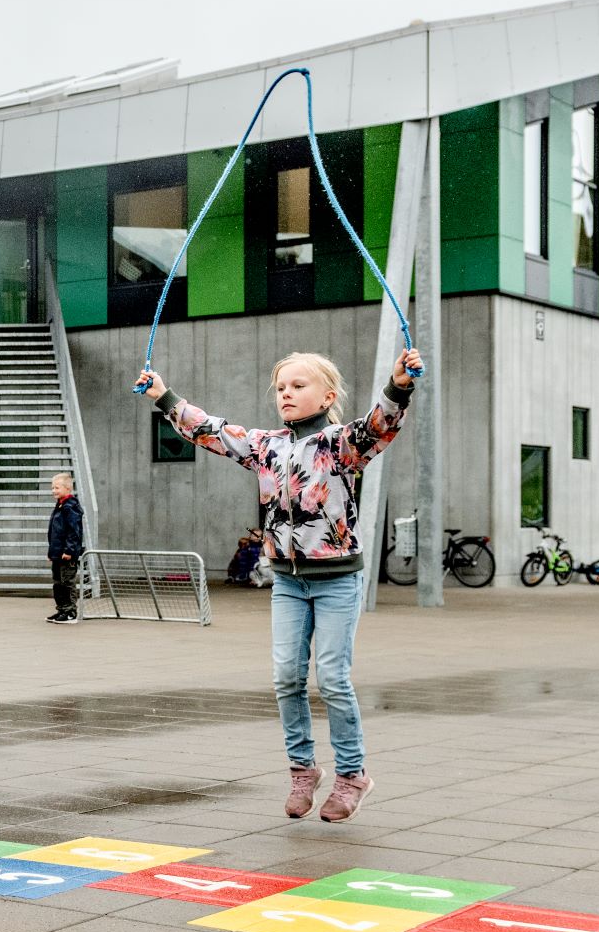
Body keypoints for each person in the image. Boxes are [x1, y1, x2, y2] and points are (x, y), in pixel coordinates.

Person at [137, 345, 423, 823]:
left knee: (332, 678)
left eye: (298, 386)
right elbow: (213, 432)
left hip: (336, 581)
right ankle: (303, 770)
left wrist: (399, 384)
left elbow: (381, 423)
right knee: (287, 677)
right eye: (281, 388)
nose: (286, 394)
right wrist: (164, 396)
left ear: (327, 395)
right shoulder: (267, 446)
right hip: (288, 582)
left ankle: (351, 776)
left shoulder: (341, 443)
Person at [46, 471, 84, 624]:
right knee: (58, 582)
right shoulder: (60, 506)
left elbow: (73, 531)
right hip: (57, 553)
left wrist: (69, 550)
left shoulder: (70, 507)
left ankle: (70, 611)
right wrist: (52, 552)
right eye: (53, 488)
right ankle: (61, 609)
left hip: (67, 554)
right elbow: (55, 532)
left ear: (68, 489)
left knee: (67, 582)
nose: (53, 491)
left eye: (57, 488)